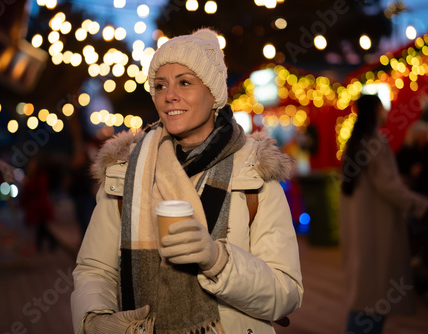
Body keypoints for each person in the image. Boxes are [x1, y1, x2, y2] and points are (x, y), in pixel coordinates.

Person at [71, 28, 303, 334]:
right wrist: (95, 319)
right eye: (160, 85)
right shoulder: (125, 173)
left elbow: (286, 293)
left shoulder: (254, 173)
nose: (169, 96)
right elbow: (94, 270)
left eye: (185, 82)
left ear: (213, 92)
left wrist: (218, 260)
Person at [339, 94, 428, 334]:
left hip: (361, 230)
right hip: (376, 232)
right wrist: (423, 206)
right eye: (384, 107)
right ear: (376, 110)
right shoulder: (375, 142)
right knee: (373, 296)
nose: (387, 112)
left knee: (364, 295)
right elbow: (389, 187)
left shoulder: (355, 142)